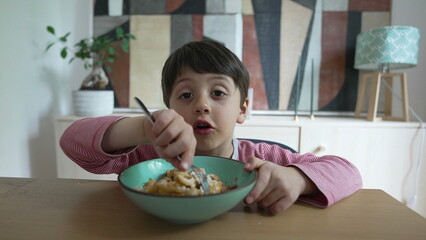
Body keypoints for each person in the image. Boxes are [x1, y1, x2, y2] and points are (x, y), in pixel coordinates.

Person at [60, 40, 362, 214]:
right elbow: (71, 141)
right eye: (186, 95)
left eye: (217, 93)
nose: (201, 105)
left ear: (242, 109)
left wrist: (298, 179)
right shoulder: (146, 158)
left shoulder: (262, 160)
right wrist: (142, 129)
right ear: (169, 109)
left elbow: (348, 172)